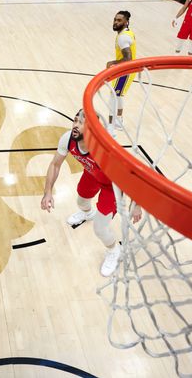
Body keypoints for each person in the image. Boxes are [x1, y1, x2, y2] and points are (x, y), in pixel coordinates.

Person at [40, 110, 142, 276]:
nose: (75, 125)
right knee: (81, 201)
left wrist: (136, 204)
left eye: (81, 122)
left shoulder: (106, 151)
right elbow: (55, 165)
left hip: (113, 186)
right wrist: (48, 192)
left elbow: (132, 177)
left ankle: (114, 251)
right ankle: (87, 214)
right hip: (92, 174)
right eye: (75, 120)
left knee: (100, 228)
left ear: (93, 128)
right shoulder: (68, 139)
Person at [105, 10, 136, 130]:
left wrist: (112, 63)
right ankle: (118, 120)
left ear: (126, 22)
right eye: (115, 19)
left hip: (125, 71)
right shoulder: (127, 32)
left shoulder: (122, 37)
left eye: (119, 20)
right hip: (125, 70)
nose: (115, 22)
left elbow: (128, 58)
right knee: (117, 95)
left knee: (114, 96)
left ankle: (112, 124)